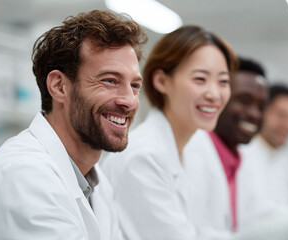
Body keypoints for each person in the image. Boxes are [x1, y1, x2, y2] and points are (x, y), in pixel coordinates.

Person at [0, 10, 147, 240]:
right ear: (59, 87)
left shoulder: (95, 182)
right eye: (110, 80)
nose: (129, 100)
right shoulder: (23, 177)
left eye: (134, 85)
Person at [101, 25, 238, 240]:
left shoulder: (199, 144)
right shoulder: (142, 157)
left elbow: (216, 226)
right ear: (162, 81)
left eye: (223, 82)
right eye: (200, 79)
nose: (214, 94)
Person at [184, 57, 269, 232]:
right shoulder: (190, 153)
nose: (254, 114)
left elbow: (259, 217)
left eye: (261, 106)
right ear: (218, 98)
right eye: (244, 101)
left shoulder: (240, 161)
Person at [240, 84, 288, 205]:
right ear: (262, 112)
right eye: (282, 115)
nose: (287, 125)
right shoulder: (244, 154)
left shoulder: (283, 162)